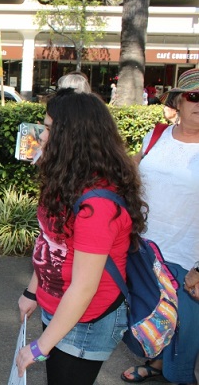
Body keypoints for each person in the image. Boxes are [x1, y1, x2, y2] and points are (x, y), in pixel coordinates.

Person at [16, 89, 147, 385]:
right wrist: (32, 291)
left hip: (87, 320)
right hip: (60, 308)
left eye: (48, 128)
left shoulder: (97, 204)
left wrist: (39, 347)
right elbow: (50, 242)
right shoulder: (65, 180)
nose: (41, 134)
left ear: (69, 136)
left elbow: (85, 288)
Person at [121, 68, 199, 384]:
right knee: (150, 318)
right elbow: (132, 177)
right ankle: (154, 364)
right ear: (179, 101)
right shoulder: (155, 135)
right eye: (195, 96)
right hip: (144, 250)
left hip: (187, 262)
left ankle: (173, 373)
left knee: (182, 352)